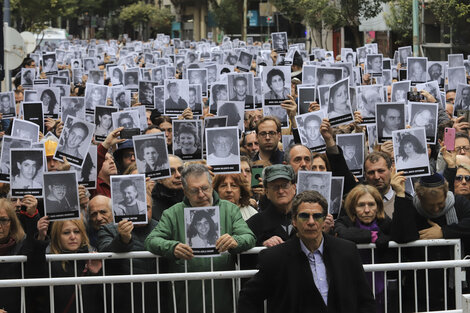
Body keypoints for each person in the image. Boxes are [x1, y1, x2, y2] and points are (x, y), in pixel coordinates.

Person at [239, 190, 376, 313]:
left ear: (324, 220)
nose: (311, 222)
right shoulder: (275, 258)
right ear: (294, 220)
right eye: (304, 216)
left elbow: (365, 300)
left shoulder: (346, 251)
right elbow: (248, 299)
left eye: (317, 216)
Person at [145, 163, 255, 313]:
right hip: (186, 297)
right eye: (194, 190)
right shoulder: (172, 213)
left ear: (211, 185)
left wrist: (236, 241)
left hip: (222, 293)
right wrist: (172, 247)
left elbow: (249, 236)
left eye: (205, 188)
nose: (201, 194)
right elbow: (151, 240)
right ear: (184, 191)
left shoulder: (229, 209)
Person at [391, 173, 470, 310]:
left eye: (440, 204)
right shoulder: (411, 207)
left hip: (454, 287)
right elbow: (401, 235)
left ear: (446, 195)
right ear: (420, 198)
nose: (435, 209)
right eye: (430, 205)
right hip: (421, 290)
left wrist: (444, 232)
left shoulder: (460, 204)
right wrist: (400, 194)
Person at [334, 184, 392, 313]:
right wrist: (373, 236)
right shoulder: (344, 222)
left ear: (378, 206)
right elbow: (343, 233)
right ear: (353, 208)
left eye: (371, 204)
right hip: (351, 287)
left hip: (380, 287)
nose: (367, 210)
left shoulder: (385, 223)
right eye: (361, 205)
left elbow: (401, 234)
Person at [97, 193, 158, 313]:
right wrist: (122, 239)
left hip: (157, 297)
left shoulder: (161, 226)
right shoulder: (109, 229)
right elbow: (105, 253)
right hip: (123, 299)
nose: (142, 212)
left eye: (147, 208)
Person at [31, 218, 104, 313]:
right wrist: (41, 237)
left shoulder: (92, 260)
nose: (73, 237)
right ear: (57, 237)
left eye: (77, 231)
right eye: (66, 233)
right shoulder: (50, 263)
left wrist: (97, 274)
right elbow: (35, 270)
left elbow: (106, 299)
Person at [151, 155, 184, 221]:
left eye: (180, 170)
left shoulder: (193, 198)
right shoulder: (150, 204)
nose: (178, 175)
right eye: (171, 171)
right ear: (159, 179)